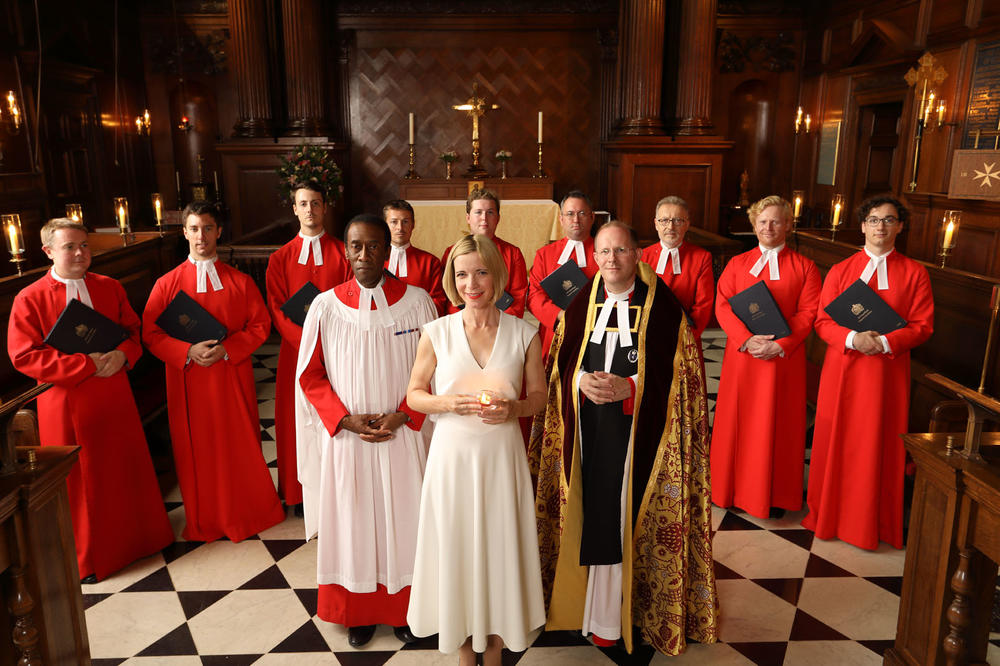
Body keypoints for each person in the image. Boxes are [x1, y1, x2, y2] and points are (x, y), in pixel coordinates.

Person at [530, 221, 718, 657]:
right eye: (603, 252)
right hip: (587, 434)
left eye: (621, 251)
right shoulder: (580, 307)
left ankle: (622, 617)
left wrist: (630, 388)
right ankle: (582, 613)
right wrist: (580, 382)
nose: (611, 260)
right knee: (589, 515)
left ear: (638, 255)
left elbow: (681, 379)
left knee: (621, 519)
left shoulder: (664, 310)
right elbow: (560, 365)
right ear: (593, 258)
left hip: (637, 440)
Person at [295, 214, 436, 647]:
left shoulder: (416, 302)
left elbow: (434, 369)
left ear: (386, 249)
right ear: (345, 249)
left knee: (405, 518)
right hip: (350, 437)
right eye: (355, 246)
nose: (363, 255)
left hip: (402, 432)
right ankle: (357, 611)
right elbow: (310, 375)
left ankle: (406, 608)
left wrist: (402, 414)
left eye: (373, 246)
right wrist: (343, 419)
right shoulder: (326, 306)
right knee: (353, 520)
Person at [406, 234, 546, 666]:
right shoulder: (437, 332)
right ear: (452, 279)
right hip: (452, 459)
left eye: (481, 272)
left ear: (497, 275)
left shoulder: (526, 332)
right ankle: (465, 654)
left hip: (502, 458)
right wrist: (447, 403)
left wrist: (516, 408)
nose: (472, 283)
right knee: (459, 552)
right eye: (462, 274)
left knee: (499, 550)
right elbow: (413, 395)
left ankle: (498, 649)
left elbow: (540, 396)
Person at [8, 218, 173, 582]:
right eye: (70, 247)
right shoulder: (30, 297)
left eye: (85, 245)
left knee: (122, 469)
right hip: (65, 401)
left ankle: (140, 540)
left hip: (114, 392)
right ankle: (88, 558)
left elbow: (133, 332)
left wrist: (123, 356)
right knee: (79, 484)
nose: (81, 253)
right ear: (48, 251)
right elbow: (23, 355)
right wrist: (84, 364)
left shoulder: (109, 287)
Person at [143, 201, 284, 542]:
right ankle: (205, 519)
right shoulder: (167, 283)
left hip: (230, 376)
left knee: (238, 443)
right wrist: (186, 350)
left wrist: (228, 349)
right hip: (188, 379)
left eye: (208, 228)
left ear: (218, 232)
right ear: (185, 232)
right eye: (194, 228)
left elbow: (260, 325)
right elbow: (150, 332)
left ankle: (247, 512)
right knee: (197, 449)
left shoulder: (239, 281)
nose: (201, 236)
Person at [803, 195, 933, 550]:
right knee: (838, 440)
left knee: (877, 442)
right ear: (862, 225)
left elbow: (923, 326)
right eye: (874, 220)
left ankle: (873, 522)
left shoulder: (915, 272)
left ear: (900, 227)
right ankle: (829, 515)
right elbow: (822, 321)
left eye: (889, 220)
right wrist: (853, 338)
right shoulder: (842, 270)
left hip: (887, 376)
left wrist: (885, 342)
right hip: (843, 369)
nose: (881, 227)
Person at [711, 195, 821, 519]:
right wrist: (746, 339)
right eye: (762, 221)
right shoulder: (737, 264)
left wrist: (781, 344)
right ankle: (728, 489)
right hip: (744, 360)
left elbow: (809, 312)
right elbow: (722, 305)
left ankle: (773, 494)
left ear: (788, 224)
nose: (768, 227)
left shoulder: (806, 267)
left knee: (778, 427)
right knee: (739, 423)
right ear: (754, 225)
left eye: (775, 221)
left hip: (783, 363)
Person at [265, 183, 351, 512]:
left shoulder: (343, 252)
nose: (310, 210)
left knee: (334, 415)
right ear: (295, 209)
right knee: (295, 420)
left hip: (334, 352)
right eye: (304, 204)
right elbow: (275, 307)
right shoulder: (280, 258)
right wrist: (304, 342)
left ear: (325, 207)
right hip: (295, 352)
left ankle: (334, 491)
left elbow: (348, 300)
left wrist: (325, 342)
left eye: (316, 203)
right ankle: (297, 492)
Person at [527, 190, 599, 355]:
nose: (575, 219)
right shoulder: (544, 254)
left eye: (581, 213)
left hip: (594, 328)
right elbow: (533, 297)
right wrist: (560, 315)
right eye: (570, 214)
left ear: (592, 217)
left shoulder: (605, 252)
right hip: (555, 329)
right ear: (561, 219)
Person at [441, 188, 528, 317]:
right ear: (468, 218)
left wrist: (496, 325)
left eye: (490, 212)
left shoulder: (512, 253)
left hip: (502, 325)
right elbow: (448, 297)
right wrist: (465, 324)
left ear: (498, 218)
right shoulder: (452, 252)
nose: (484, 218)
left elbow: (518, 297)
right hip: (462, 325)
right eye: (478, 212)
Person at [640, 196, 715, 338]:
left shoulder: (701, 257)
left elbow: (703, 305)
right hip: (648, 336)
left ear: (687, 224)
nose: (670, 227)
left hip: (686, 337)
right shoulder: (642, 257)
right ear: (656, 224)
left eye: (678, 220)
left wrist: (686, 336)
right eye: (664, 220)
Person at [382, 199, 448, 315]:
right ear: (384, 225)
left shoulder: (430, 262)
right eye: (394, 222)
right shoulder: (375, 261)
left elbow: (438, 302)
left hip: (419, 329)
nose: (400, 228)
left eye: (405, 221)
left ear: (413, 224)